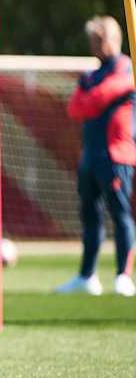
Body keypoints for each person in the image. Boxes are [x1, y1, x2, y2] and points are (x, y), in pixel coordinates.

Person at [56, 15, 136, 297]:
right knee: (90, 216)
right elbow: (76, 109)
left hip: (116, 154)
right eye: (92, 40)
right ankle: (87, 276)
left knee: (121, 214)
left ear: (113, 39)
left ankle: (123, 276)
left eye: (98, 39)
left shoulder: (128, 66)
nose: (94, 46)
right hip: (90, 154)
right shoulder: (91, 74)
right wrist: (92, 98)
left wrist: (92, 97)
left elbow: (100, 97)